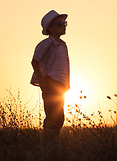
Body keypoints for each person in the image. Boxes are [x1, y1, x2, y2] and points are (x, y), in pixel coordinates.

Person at [31, 10, 70, 142]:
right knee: (54, 116)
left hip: (60, 85)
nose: (63, 26)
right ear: (51, 28)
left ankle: (52, 142)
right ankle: (48, 143)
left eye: (64, 23)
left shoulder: (63, 45)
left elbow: (65, 66)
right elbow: (35, 61)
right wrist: (42, 82)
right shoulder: (47, 43)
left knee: (59, 116)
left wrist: (67, 83)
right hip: (50, 82)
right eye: (60, 24)